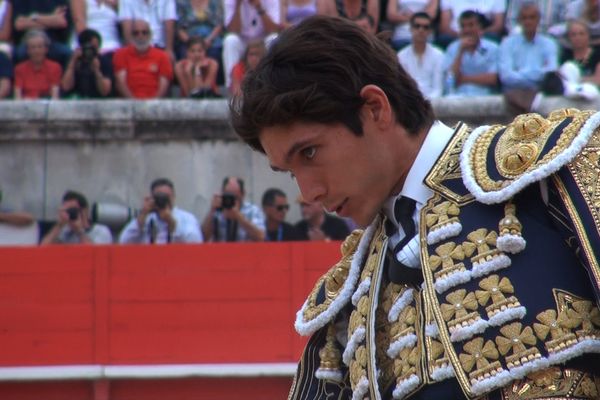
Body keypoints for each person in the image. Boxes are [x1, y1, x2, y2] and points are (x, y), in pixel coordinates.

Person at [231, 15, 600, 400]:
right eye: (290, 173)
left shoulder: (553, 170)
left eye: (309, 152)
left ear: (374, 108)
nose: (308, 193)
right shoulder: (349, 297)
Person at [499, 2, 559, 113]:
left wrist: (522, 73)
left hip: (540, 92)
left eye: (532, 17)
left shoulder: (549, 43)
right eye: (524, 18)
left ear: (538, 19)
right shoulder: (507, 43)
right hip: (514, 93)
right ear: (519, 21)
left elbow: (551, 72)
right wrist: (537, 74)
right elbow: (506, 77)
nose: (528, 21)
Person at [119, 178, 203, 244]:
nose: (163, 200)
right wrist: (142, 217)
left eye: (166, 196)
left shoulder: (186, 218)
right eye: (159, 196)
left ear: (173, 197)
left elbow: (196, 242)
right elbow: (124, 241)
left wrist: (173, 225)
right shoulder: (146, 218)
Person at [222, 0, 280, 89]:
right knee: (230, 40)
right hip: (242, 41)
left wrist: (259, 8)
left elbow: (273, 29)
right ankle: (232, 86)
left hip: (262, 40)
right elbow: (233, 30)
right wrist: (237, 6)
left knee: (274, 38)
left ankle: (273, 85)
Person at [113, 19, 173, 99]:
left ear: (150, 35)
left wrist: (153, 103)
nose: (140, 36)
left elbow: (164, 85)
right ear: (131, 36)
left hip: (154, 104)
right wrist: (134, 102)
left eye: (144, 32)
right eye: (136, 33)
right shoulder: (121, 54)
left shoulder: (162, 56)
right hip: (129, 103)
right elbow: (120, 82)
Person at [443, 10, 499, 96]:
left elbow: (493, 79)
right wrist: (460, 52)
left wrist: (463, 79)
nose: (467, 30)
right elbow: (449, 80)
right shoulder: (452, 48)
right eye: (463, 26)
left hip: (484, 97)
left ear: (480, 28)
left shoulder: (493, 48)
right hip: (458, 96)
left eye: (471, 25)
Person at [201, 176, 266, 242]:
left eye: (235, 197)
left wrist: (240, 218)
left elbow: (261, 237)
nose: (231, 201)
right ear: (222, 192)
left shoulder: (252, 211)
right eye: (228, 196)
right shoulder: (217, 210)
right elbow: (202, 238)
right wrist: (212, 211)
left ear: (243, 194)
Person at [11, 0, 73, 68]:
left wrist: (34, 17)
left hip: (52, 42)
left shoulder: (59, 1)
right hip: (27, 43)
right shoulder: (21, 2)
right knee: (17, 54)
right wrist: (52, 19)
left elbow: (62, 22)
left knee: (67, 53)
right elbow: (19, 25)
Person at [397, 12, 444, 99]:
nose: (421, 30)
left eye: (425, 27)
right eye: (417, 26)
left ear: (430, 31)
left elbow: (438, 89)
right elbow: (402, 87)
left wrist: (426, 103)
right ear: (410, 28)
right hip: (410, 103)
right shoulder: (401, 56)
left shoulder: (439, 55)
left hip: (433, 104)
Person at [41, 190, 112, 245]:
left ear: (84, 211)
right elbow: (43, 249)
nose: (70, 214)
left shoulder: (101, 231)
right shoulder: (65, 232)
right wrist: (59, 225)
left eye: (72, 210)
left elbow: (94, 254)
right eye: (67, 211)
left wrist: (79, 231)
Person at [61, 28, 113, 98]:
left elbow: (105, 91)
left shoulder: (104, 61)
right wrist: (72, 63)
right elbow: (65, 87)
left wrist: (97, 71)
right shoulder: (74, 60)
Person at [14, 29, 62, 99]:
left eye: (40, 47)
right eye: (33, 48)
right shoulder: (19, 69)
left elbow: (55, 96)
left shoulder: (55, 67)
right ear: (27, 50)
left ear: (46, 49)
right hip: (25, 106)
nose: (37, 51)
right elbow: (17, 96)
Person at [437, 0, 506, 48]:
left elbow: (498, 25)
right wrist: (463, 35)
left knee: (492, 38)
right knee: (443, 39)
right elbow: (444, 26)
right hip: (455, 35)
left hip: (483, 36)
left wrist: (477, 34)